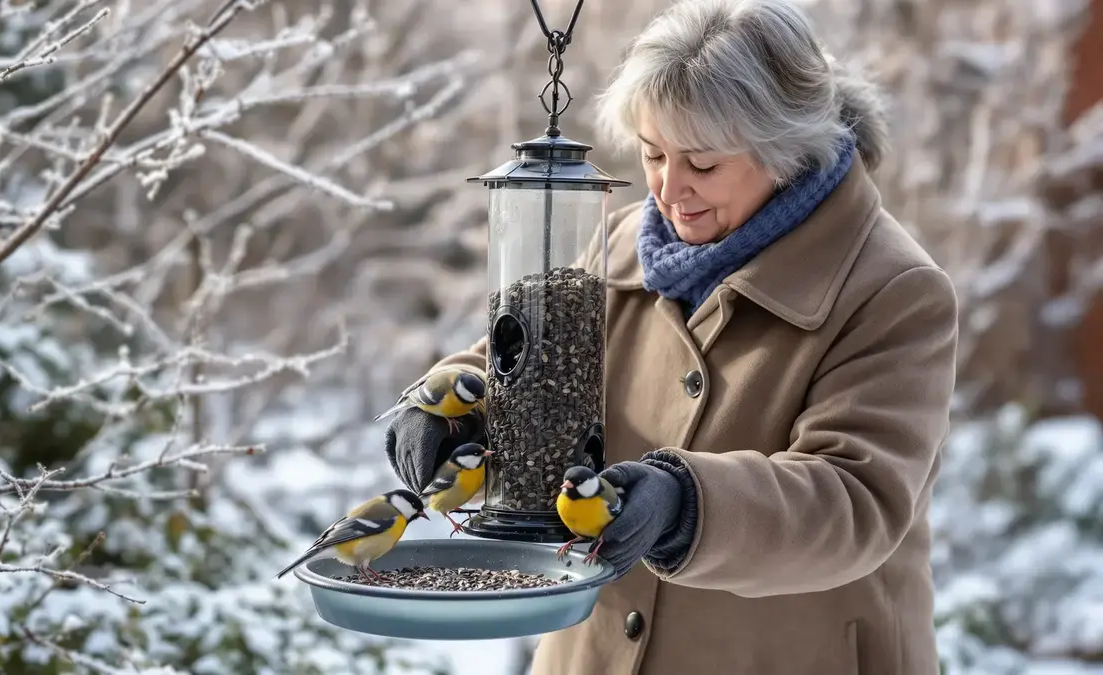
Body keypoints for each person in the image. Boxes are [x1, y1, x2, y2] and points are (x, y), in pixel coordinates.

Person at [384, 0, 958, 672]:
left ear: (786, 152)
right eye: (653, 153)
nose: (668, 188)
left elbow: (854, 502)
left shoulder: (893, 291)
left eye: (703, 165)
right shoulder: (621, 241)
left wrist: (686, 505)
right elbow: (526, 370)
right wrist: (452, 410)